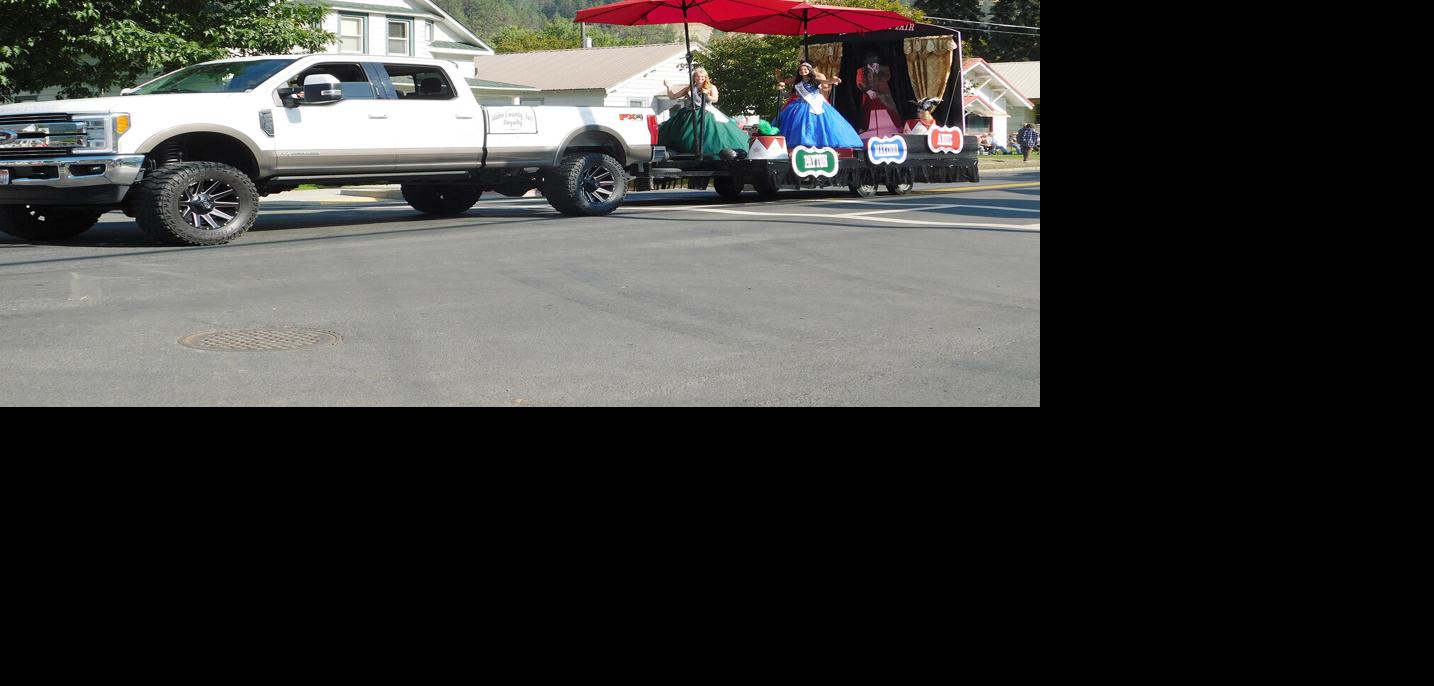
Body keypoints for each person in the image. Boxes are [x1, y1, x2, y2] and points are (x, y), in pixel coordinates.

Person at [657, 67, 750, 159]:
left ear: (706, 77)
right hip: (689, 112)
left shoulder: (711, 87)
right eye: (697, 76)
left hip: (705, 111)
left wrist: (707, 95)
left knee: (709, 133)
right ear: (694, 77)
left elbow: (715, 99)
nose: (700, 78)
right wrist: (669, 87)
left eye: (702, 76)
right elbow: (673, 96)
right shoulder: (689, 88)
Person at [775, 61, 863, 149]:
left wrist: (834, 80)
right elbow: (787, 95)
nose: (803, 71)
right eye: (801, 69)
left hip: (816, 103)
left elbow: (826, 82)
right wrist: (781, 90)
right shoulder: (798, 84)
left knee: (821, 123)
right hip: (800, 105)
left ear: (809, 70)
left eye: (805, 69)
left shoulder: (815, 80)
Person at [856, 53, 902, 133]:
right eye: (874, 64)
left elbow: (888, 77)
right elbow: (859, 82)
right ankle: (863, 127)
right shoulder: (861, 70)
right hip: (869, 94)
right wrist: (868, 91)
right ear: (869, 64)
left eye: (877, 64)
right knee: (865, 111)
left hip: (883, 93)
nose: (876, 66)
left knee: (892, 108)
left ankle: (899, 126)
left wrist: (878, 72)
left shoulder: (884, 69)